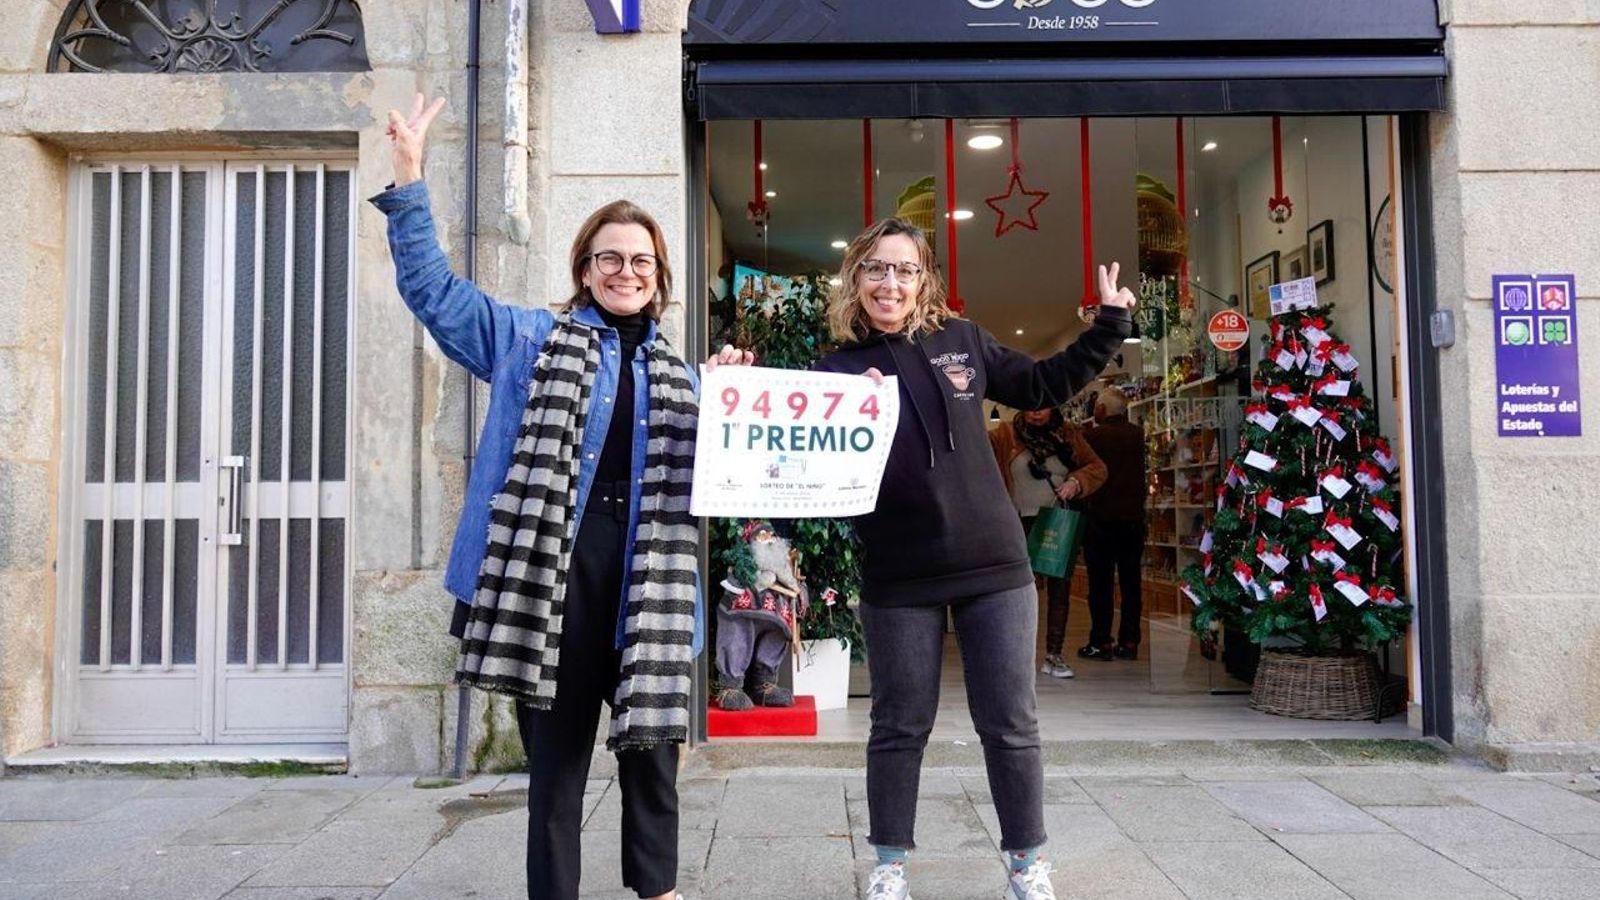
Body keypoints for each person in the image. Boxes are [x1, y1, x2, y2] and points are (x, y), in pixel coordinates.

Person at [712, 217, 1134, 900]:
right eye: (877, 268)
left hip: (994, 565)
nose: (890, 282)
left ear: (924, 280)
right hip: (898, 571)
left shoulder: (961, 340)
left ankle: (1027, 864)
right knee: (899, 724)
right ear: (857, 278)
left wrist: (1109, 324)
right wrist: (739, 400)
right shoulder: (832, 369)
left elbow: (1043, 384)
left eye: (905, 270)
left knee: (1010, 722)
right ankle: (890, 867)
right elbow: (795, 463)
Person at [374, 94, 720, 900]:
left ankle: (657, 893)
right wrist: (410, 174)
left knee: (652, 770)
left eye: (640, 261)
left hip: (646, 590)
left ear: (661, 278)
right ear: (584, 268)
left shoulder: (689, 380)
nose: (624, 272)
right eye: (609, 258)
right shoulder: (529, 340)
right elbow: (434, 293)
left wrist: (737, 403)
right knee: (556, 779)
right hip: (550, 588)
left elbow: (733, 478)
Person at [989, 406, 1107, 679]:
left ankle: (1054, 655)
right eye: (1031, 407)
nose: (1036, 413)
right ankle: (1015, 657)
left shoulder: (1068, 434)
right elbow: (978, 451)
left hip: (1056, 520)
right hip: (1018, 523)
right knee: (1016, 591)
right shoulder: (1006, 434)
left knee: (1059, 591)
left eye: (1042, 407)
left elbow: (1098, 467)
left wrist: (1076, 482)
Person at [1079, 388, 1148, 662]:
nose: (1094, 409)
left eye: (1097, 405)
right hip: (1132, 519)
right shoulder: (1138, 436)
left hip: (1100, 519)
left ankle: (1101, 641)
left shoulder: (1091, 438)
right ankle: (1130, 641)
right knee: (1132, 582)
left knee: (1101, 584)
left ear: (1103, 411)